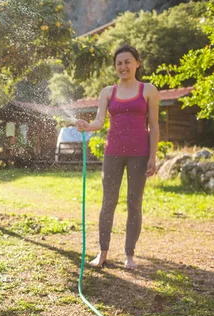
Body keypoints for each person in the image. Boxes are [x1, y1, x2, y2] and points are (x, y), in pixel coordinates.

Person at [76, 44, 159, 269]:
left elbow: (153, 125)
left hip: (139, 155)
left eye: (127, 62)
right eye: (119, 63)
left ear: (137, 63)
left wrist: (153, 156)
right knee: (108, 203)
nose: (123, 66)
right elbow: (99, 121)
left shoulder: (148, 90)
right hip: (113, 153)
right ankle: (103, 253)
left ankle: (129, 255)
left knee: (134, 203)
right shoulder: (107, 92)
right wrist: (87, 125)